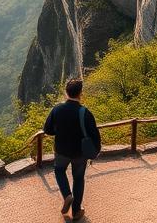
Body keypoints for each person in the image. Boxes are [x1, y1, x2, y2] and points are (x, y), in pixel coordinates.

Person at [43, 78, 101, 221]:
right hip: (80, 153)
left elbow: (47, 130)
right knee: (78, 178)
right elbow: (95, 135)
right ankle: (76, 211)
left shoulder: (57, 109)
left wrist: (60, 130)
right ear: (81, 93)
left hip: (61, 150)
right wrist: (96, 151)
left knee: (59, 170)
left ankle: (67, 195)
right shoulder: (85, 112)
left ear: (66, 92)